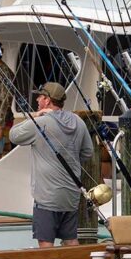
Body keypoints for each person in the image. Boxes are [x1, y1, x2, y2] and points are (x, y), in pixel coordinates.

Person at [9, 82, 94, 248]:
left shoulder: (41, 123)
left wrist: (36, 116)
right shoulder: (78, 121)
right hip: (71, 195)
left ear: (47, 101)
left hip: (47, 197)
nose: (37, 100)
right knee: (71, 240)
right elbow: (87, 153)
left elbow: (13, 135)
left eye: (40, 97)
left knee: (45, 243)